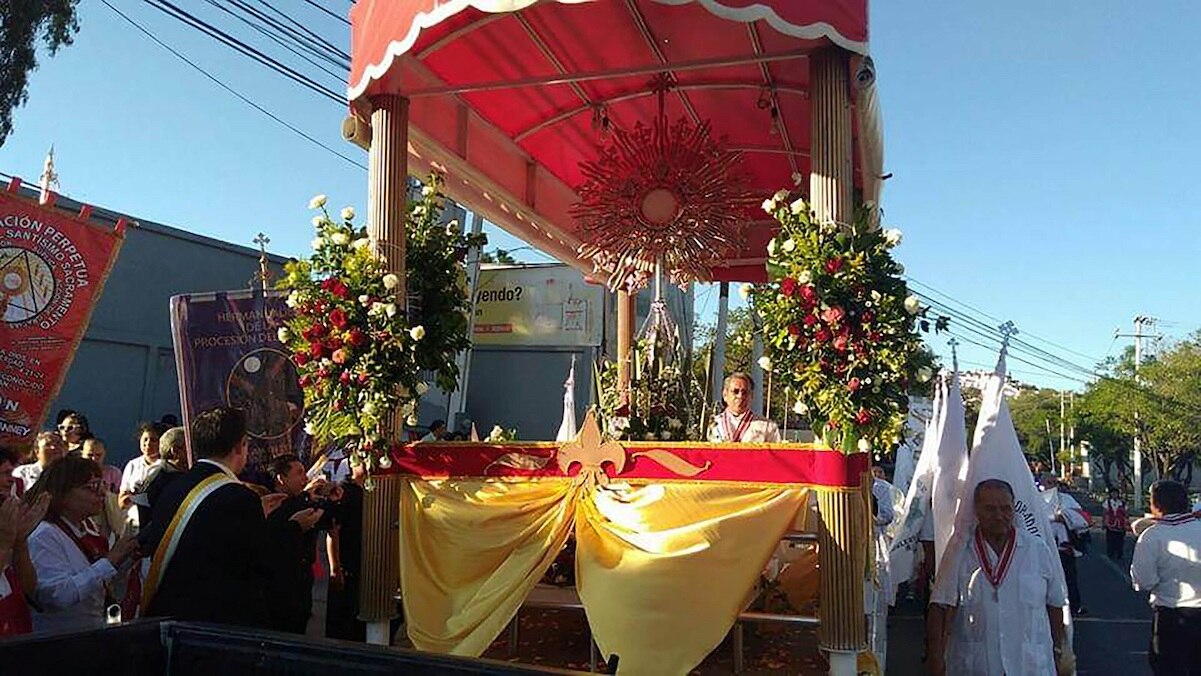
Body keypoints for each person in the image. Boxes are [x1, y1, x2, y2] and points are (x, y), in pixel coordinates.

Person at [138, 406, 321, 628]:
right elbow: (261, 558)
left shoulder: (176, 485)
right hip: (212, 621)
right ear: (240, 446)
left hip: (173, 614)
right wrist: (295, 527)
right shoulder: (237, 497)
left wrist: (257, 512)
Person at [927, 479, 1070, 676]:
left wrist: (1060, 652)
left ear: (1014, 508)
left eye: (1005, 508)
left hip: (1029, 666)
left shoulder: (1037, 550)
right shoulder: (960, 551)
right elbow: (939, 607)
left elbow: (1055, 605)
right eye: (990, 509)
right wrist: (935, 659)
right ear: (976, 510)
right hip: (976, 665)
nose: (999, 516)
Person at [25, 456, 140, 633]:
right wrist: (111, 560)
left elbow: (97, 581)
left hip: (89, 633)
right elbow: (58, 596)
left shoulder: (86, 527)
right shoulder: (44, 534)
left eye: (102, 485)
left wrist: (126, 558)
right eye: (91, 487)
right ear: (62, 494)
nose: (102, 493)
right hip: (59, 642)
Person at [1130, 480, 1201, 674]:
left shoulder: (1152, 536)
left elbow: (1144, 581)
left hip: (1172, 616)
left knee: (1168, 668)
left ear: (1156, 505)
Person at [268, 453, 337, 633]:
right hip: (281, 585)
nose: (305, 478)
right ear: (281, 478)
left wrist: (331, 498)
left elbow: (325, 520)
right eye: (299, 473)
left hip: (304, 580)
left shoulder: (303, 501)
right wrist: (306, 496)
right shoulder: (272, 504)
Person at [0, 448, 48, 636]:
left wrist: (20, 540)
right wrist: (4, 543)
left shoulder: (6, 521)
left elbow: (28, 587)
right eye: (4, 473)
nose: (11, 480)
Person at [325, 462, 366, 641]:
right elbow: (333, 532)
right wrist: (335, 568)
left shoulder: (375, 488)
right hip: (346, 561)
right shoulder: (344, 491)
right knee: (342, 618)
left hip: (364, 561)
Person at [1043, 476, 1089, 616]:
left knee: (1069, 578)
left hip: (1064, 550)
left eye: (1053, 483)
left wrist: (1065, 517)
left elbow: (1082, 518)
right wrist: (1051, 518)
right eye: (1048, 482)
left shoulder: (1067, 499)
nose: (1050, 486)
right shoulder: (1036, 499)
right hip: (1044, 549)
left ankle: (1074, 607)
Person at [707, 373, 780, 443]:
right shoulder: (713, 424)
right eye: (735, 391)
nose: (740, 396)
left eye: (744, 392)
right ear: (725, 395)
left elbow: (776, 454)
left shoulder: (768, 427)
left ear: (751, 396)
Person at [119, 423, 162, 512]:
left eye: (153, 440)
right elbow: (121, 502)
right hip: (134, 519)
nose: (148, 444)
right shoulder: (132, 465)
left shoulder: (166, 466)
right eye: (145, 439)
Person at [1102, 488, 1129, 562]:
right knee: (1110, 540)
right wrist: (1103, 523)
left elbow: (1126, 514)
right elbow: (1104, 513)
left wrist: (1127, 523)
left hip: (1120, 524)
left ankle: (1119, 554)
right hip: (1110, 524)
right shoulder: (1107, 502)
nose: (1114, 495)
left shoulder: (1122, 503)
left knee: (1120, 540)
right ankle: (1110, 554)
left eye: (1116, 493)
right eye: (1112, 493)